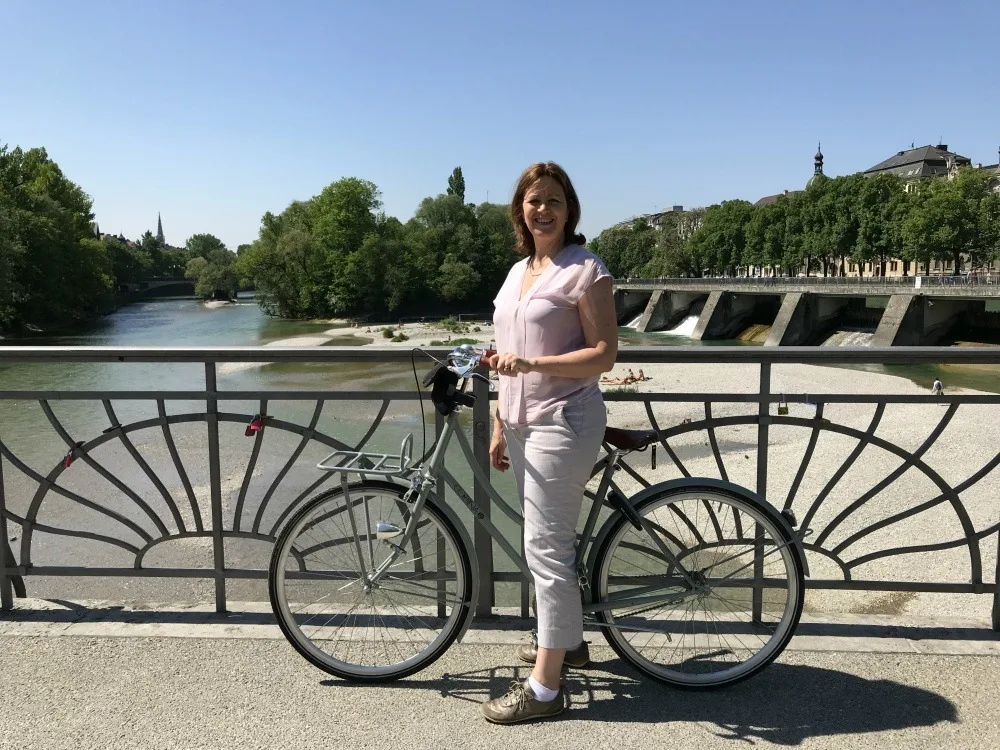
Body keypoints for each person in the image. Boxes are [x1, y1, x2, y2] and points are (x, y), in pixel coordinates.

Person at [482, 162, 617, 724]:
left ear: (569, 210)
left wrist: (534, 364)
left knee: (546, 549)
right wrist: (499, 422)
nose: (543, 210)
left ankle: (544, 690)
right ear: (521, 208)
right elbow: (503, 353)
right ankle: (570, 644)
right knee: (545, 543)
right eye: (534, 200)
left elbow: (604, 354)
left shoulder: (586, 270)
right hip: (520, 423)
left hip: (564, 419)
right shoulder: (518, 272)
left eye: (554, 201)